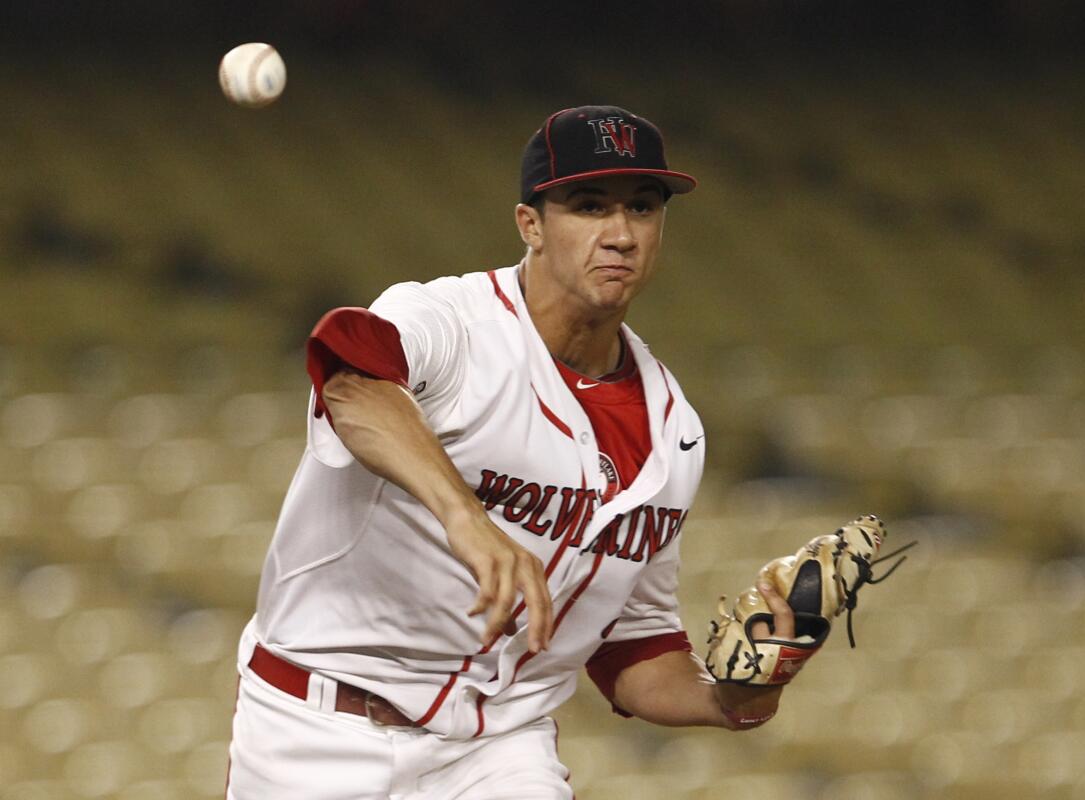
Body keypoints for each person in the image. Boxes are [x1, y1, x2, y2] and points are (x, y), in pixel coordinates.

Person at [226, 105, 801, 800]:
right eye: (589, 206)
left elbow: (632, 651)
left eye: (642, 209)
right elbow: (352, 376)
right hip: (317, 731)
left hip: (497, 751)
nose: (620, 234)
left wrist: (737, 697)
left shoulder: (674, 431)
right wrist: (466, 518)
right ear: (531, 224)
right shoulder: (453, 324)